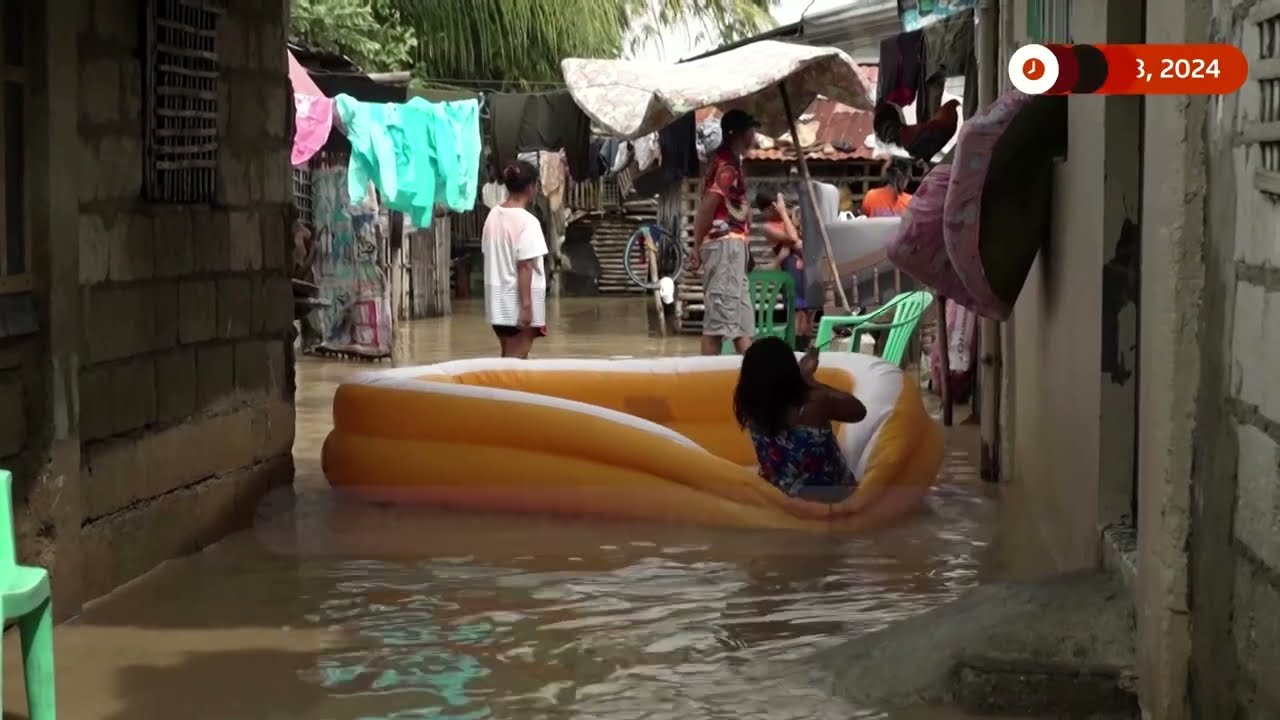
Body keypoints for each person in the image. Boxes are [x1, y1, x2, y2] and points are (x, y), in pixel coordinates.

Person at [733, 337, 867, 501]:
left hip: (779, 497)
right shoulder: (812, 405)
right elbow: (859, 411)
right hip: (830, 499)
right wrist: (810, 381)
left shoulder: (750, 406)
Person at [688, 109, 760, 355]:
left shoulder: (728, 162)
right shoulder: (726, 166)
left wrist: (746, 248)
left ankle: (754, 382)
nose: (755, 134)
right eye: (752, 129)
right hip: (724, 246)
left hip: (734, 247)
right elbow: (707, 208)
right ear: (738, 133)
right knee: (717, 326)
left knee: (742, 326)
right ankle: (704, 384)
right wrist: (696, 247)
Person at [482, 160, 549, 359]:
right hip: (517, 306)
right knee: (515, 366)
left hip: (497, 305)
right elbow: (525, 267)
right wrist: (527, 307)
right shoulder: (528, 222)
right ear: (531, 187)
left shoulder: (493, 216)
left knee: (507, 361)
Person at [755, 192, 810, 338]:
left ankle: (803, 351)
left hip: (807, 273)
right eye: (773, 208)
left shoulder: (792, 219)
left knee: (808, 317)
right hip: (791, 275)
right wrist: (784, 213)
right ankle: (795, 351)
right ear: (766, 210)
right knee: (797, 315)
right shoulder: (769, 228)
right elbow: (793, 239)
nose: (777, 210)